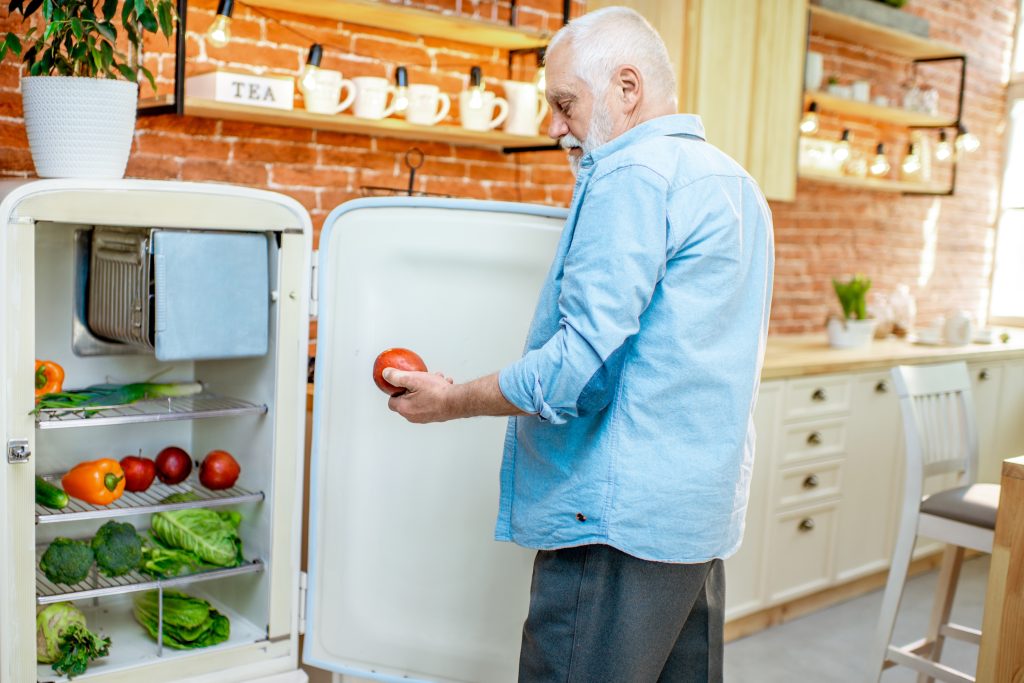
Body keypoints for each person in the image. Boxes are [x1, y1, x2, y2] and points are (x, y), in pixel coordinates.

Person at [383, 6, 774, 682]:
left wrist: (450, 399)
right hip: (694, 525)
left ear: (627, 88)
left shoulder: (631, 175)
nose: (555, 127)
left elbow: (576, 372)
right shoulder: (735, 184)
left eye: (565, 103)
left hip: (615, 523)